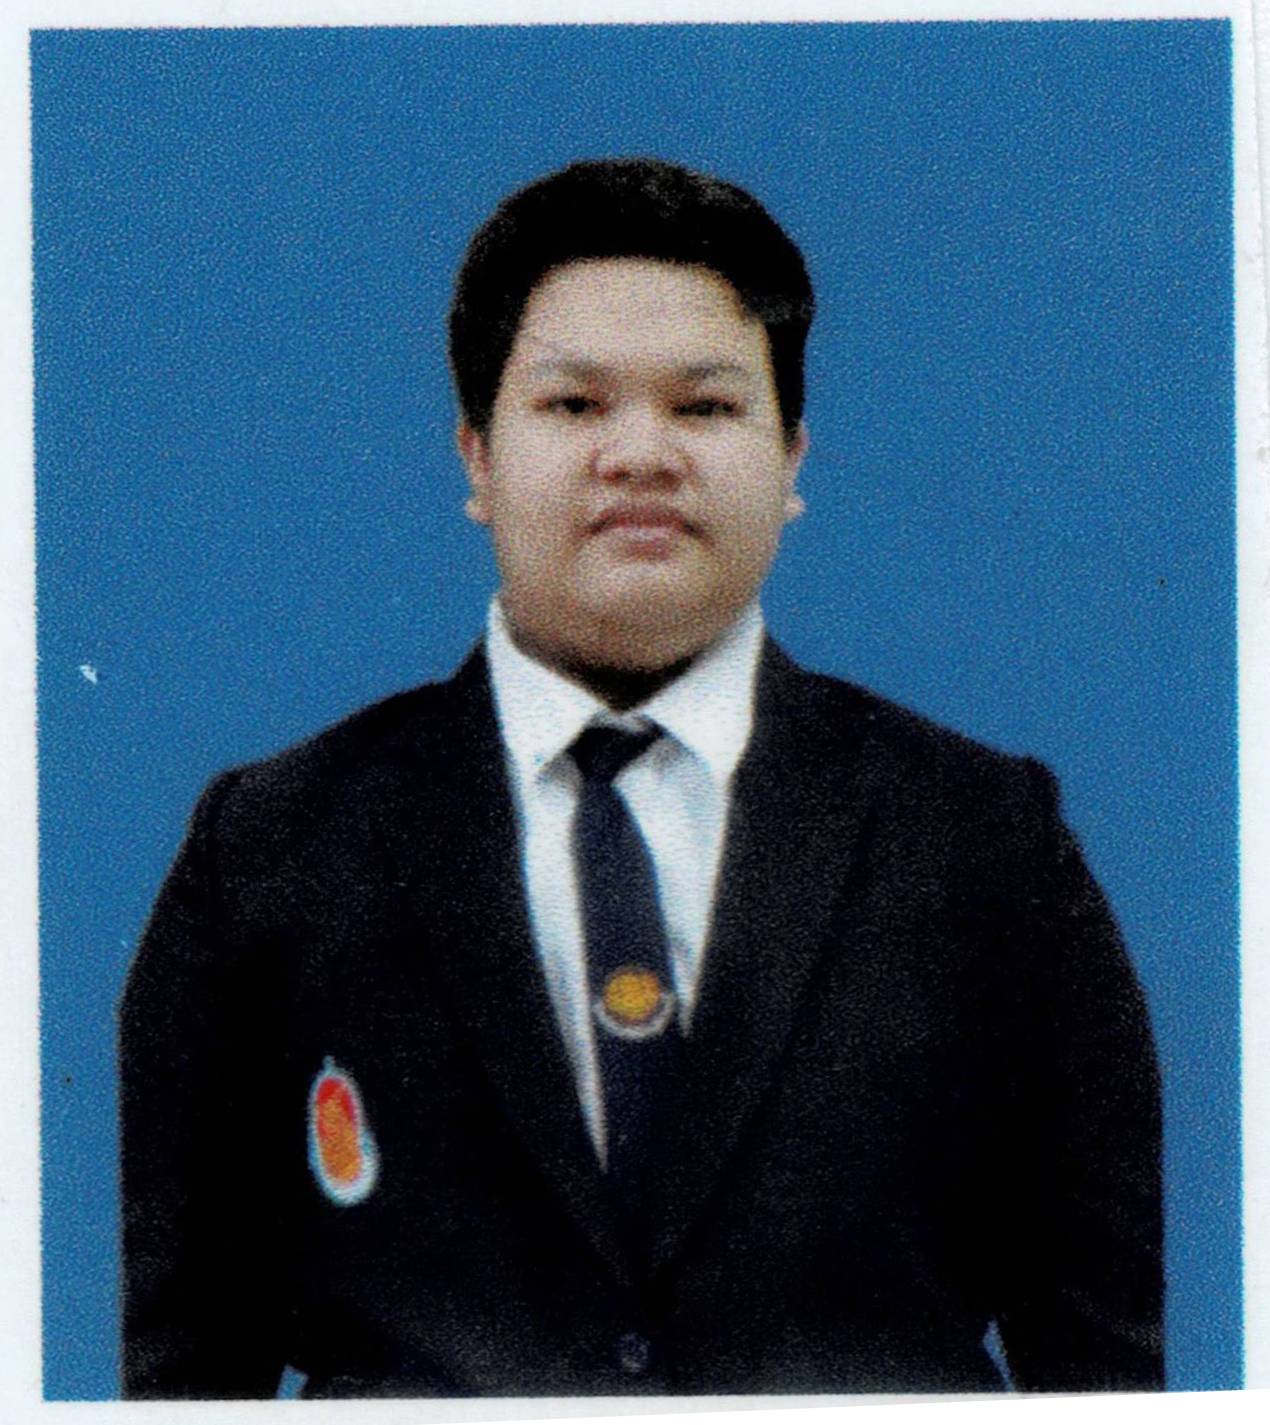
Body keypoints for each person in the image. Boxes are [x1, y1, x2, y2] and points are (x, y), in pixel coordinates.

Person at [120, 158, 1163, 1399]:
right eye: (573, 405)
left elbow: (1106, 1363)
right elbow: (179, 1370)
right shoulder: (275, 846)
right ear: (476, 457)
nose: (640, 455)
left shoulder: (984, 838)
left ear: (791, 458)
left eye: (705, 407)